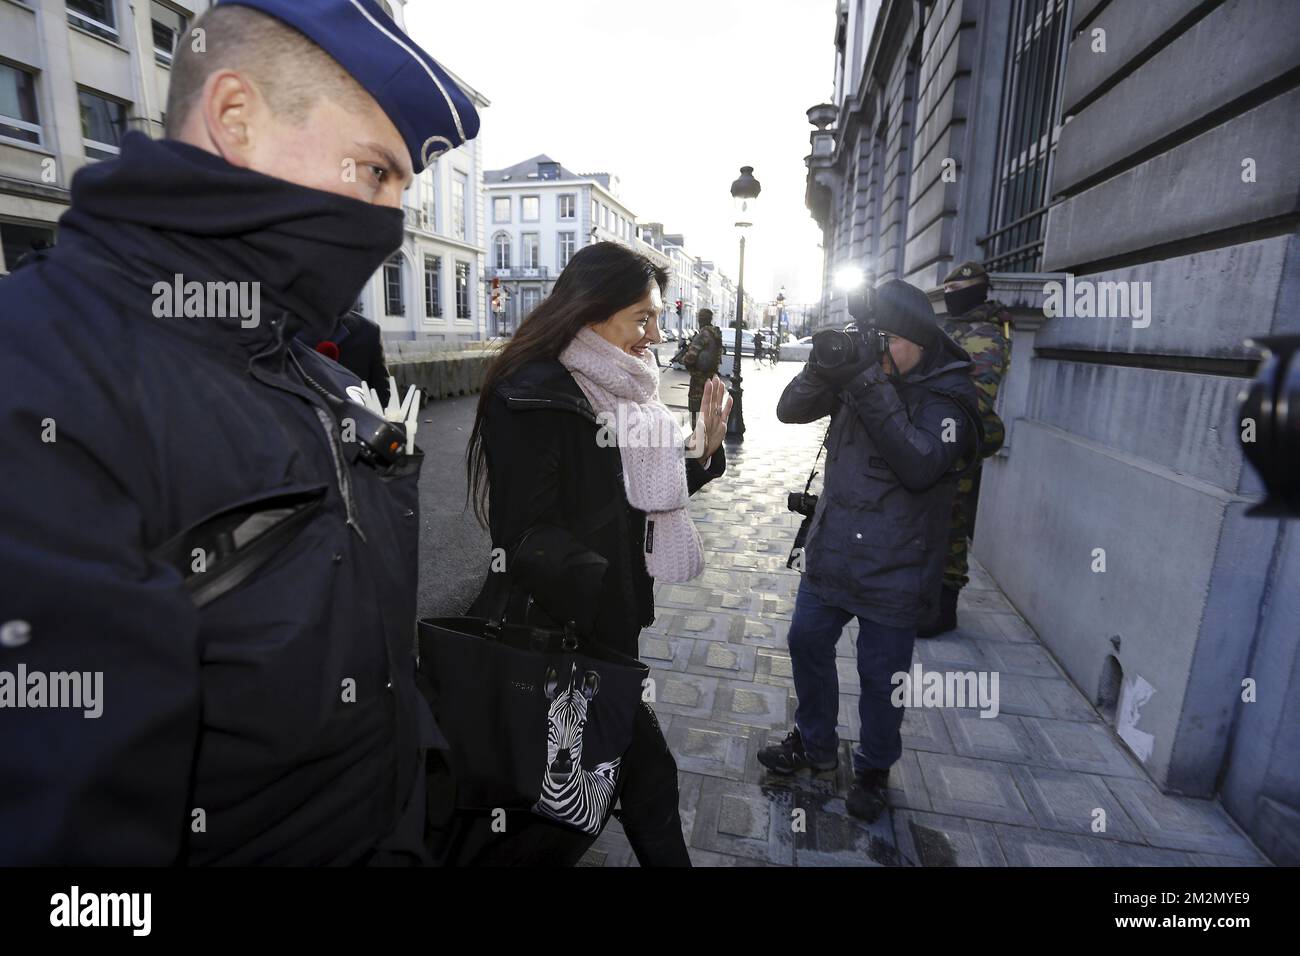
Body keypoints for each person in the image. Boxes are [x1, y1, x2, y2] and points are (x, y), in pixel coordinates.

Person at [0, 0, 479, 864]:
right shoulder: (38, 375)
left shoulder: (310, 371)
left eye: (403, 187)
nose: (391, 224)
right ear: (235, 119)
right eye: (374, 173)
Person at [461, 241, 730, 866]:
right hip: (566, 632)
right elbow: (523, 534)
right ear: (591, 313)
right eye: (643, 317)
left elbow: (634, 495)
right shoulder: (535, 396)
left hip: (609, 626)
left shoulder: (623, 392)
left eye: (657, 316)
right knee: (639, 779)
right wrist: (602, 581)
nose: (656, 334)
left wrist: (701, 455)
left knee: (601, 787)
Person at [761, 278, 981, 822]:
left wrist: (863, 381)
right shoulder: (864, 372)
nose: (879, 348)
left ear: (917, 341)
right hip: (834, 551)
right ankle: (814, 742)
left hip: (899, 566)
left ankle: (875, 768)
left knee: (883, 678)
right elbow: (789, 410)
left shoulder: (950, 395)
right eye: (872, 336)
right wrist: (826, 365)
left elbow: (919, 462)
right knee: (805, 642)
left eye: (887, 338)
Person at [919, 260, 1011, 637]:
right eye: (948, 294)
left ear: (978, 291)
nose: (950, 301)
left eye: (958, 294)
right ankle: (925, 596)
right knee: (928, 519)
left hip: (961, 445)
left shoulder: (990, 334)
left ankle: (945, 608)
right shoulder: (949, 329)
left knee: (952, 522)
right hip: (934, 438)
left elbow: (974, 400)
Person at [682, 307, 724, 427]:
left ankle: (698, 440)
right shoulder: (716, 334)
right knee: (709, 410)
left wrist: (683, 360)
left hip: (699, 380)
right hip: (712, 377)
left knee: (696, 411)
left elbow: (690, 358)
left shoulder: (703, 334)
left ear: (700, 319)